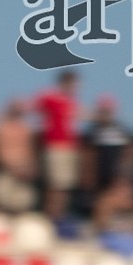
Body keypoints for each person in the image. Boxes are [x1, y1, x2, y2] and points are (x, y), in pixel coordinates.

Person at [35, 69, 82, 220]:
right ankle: (51, 217)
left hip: (69, 148)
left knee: (64, 187)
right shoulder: (51, 98)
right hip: (56, 147)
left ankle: (59, 217)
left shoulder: (71, 102)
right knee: (55, 186)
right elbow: (33, 108)